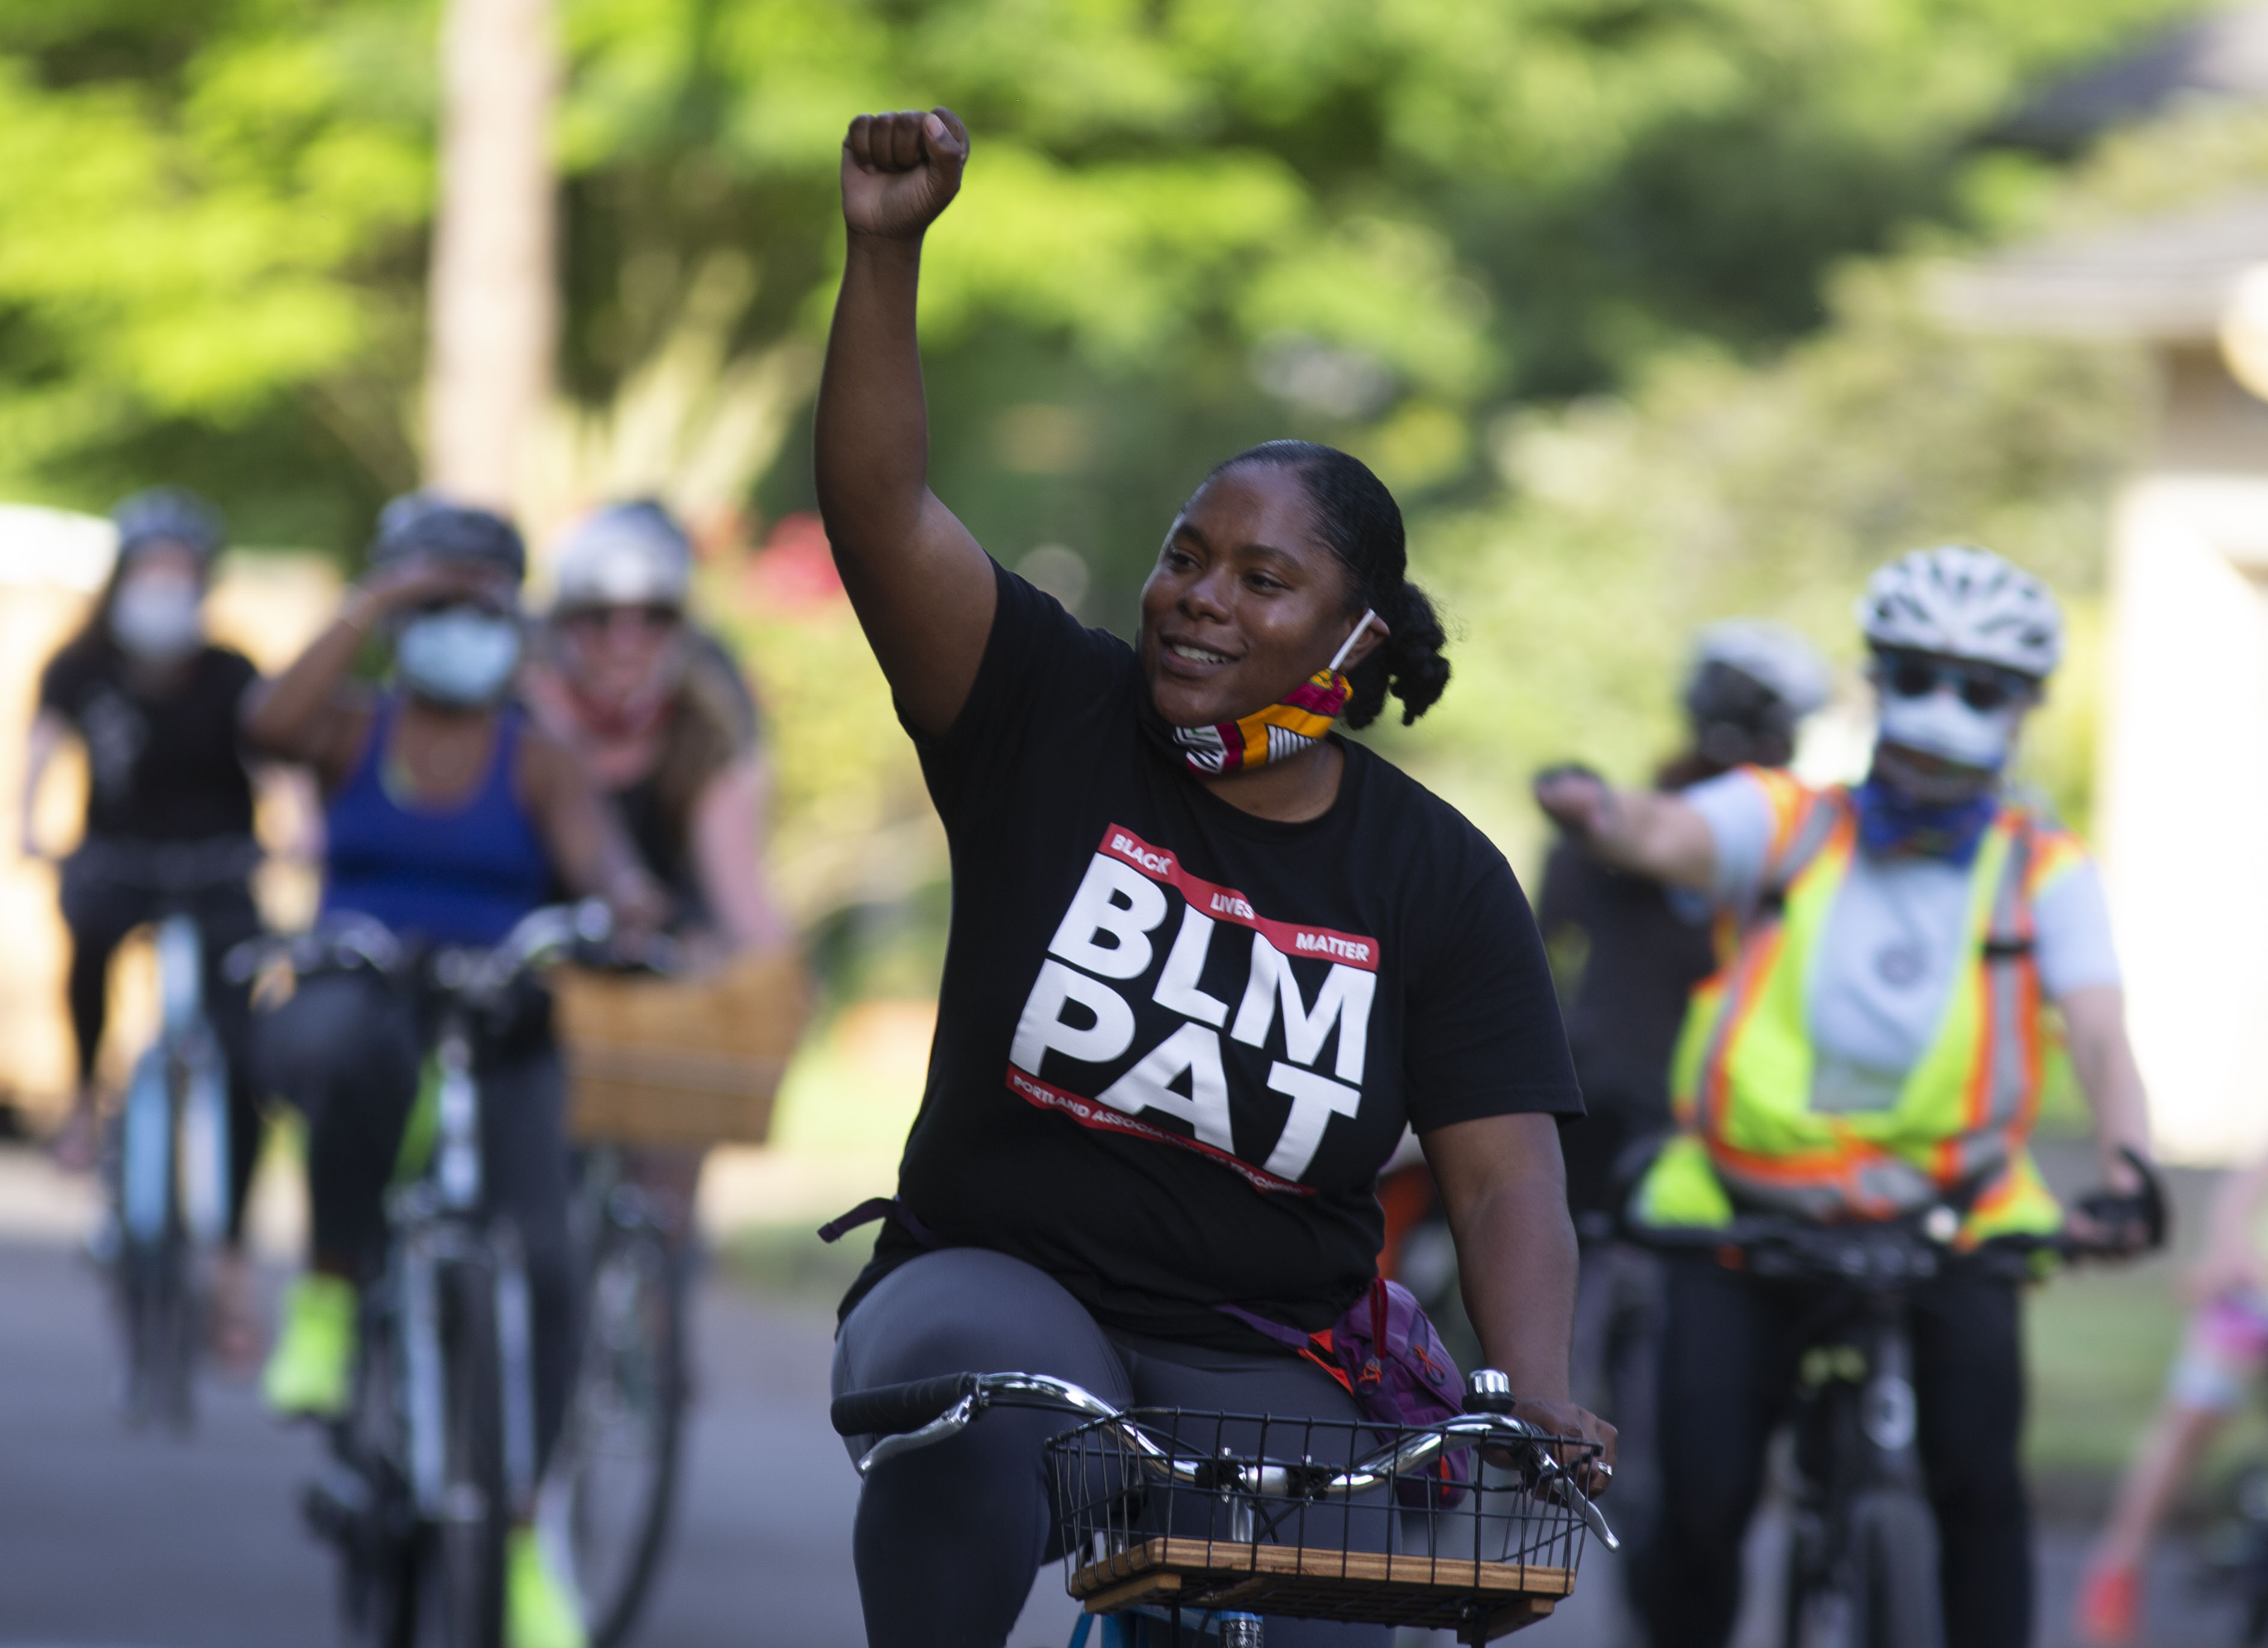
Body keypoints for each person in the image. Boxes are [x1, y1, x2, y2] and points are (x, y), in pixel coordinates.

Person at [816, 106, 1611, 1648]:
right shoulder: (1043, 710)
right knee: (994, 1422)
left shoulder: (1436, 876)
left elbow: (1504, 1167)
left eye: (1263, 579)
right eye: (1187, 555)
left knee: (1342, 1601)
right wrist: (884, 251)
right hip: (994, 1280)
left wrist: (1535, 1389)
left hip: (1258, 1342)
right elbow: (880, 510)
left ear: (1351, 640)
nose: (1197, 599)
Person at [1535, 543, 2160, 1648]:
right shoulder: (1787, 818)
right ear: (1875, 684)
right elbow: (1667, 833)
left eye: (1976, 691)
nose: (1940, 711)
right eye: (1915, 678)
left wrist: (2127, 1170)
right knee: (1700, 1503)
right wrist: (1597, 808)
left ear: (2018, 710)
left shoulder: (2040, 867)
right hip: (1741, 1208)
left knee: (1979, 1493)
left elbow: (2100, 1032)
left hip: (1948, 1211)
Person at [243, 495, 662, 1648]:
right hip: (364, 991)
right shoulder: (350, 729)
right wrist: (375, 603)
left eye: (478, 601)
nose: (456, 624)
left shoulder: (538, 760)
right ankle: (330, 1293)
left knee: (551, 1263)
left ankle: (524, 1539)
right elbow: (267, 726)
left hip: (496, 1018)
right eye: (434, 601)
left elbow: (607, 865)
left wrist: (626, 908)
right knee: (343, 1048)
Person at [1533, 617, 1829, 1628]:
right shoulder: (1740, 834)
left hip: (1643, 1107)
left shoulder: (1710, 827)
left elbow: (1544, 942)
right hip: (1653, 1112)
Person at [25, 487, 268, 1364]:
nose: (166, 588)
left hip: (217, 867)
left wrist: (300, 827)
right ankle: (87, 1100)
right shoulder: (81, 664)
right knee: (85, 941)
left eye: (182, 572)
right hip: (117, 857)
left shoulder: (233, 672)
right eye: (151, 570)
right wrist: (28, 823)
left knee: (244, 1052)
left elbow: (275, 759)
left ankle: (233, 1263)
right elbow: (44, 744)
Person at [520, 499, 788, 961]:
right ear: (562, 626)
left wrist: (778, 982)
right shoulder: (518, 720)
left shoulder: (701, 733)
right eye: (599, 619)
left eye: (653, 619)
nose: (626, 643)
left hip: (661, 971)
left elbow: (744, 903)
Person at [2076, 1150, 2268, 1643]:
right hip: (2250, 1289)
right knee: (2191, 1421)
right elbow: (2245, 1186)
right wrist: (2229, 1255)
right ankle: (2118, 1566)